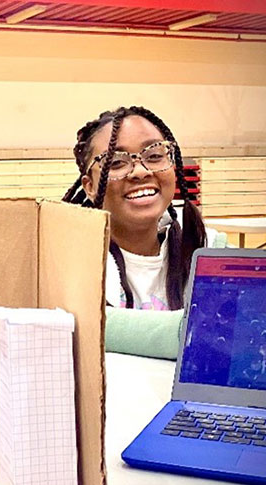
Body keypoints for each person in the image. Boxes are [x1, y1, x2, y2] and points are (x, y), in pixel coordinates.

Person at [62, 106, 224, 358]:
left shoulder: (207, 247)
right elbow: (89, 325)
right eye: (116, 162)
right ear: (90, 186)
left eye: (155, 155)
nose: (140, 171)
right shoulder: (70, 259)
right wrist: (191, 330)